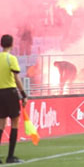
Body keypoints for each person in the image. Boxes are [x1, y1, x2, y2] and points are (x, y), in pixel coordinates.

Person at [0, 35, 28, 164]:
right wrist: (23, 94)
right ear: (12, 44)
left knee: (1, 124)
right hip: (10, 92)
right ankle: (10, 156)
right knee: (15, 122)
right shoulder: (11, 58)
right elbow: (16, 78)